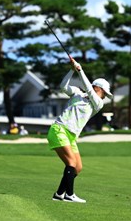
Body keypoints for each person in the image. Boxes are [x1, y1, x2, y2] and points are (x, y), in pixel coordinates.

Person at [47, 58, 112, 203]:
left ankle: (59, 194)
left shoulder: (98, 103)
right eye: (104, 93)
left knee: (78, 167)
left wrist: (80, 70)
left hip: (71, 135)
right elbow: (63, 87)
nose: (104, 96)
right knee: (71, 163)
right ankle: (69, 195)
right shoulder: (77, 93)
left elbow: (88, 88)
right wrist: (72, 69)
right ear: (98, 88)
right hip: (60, 129)